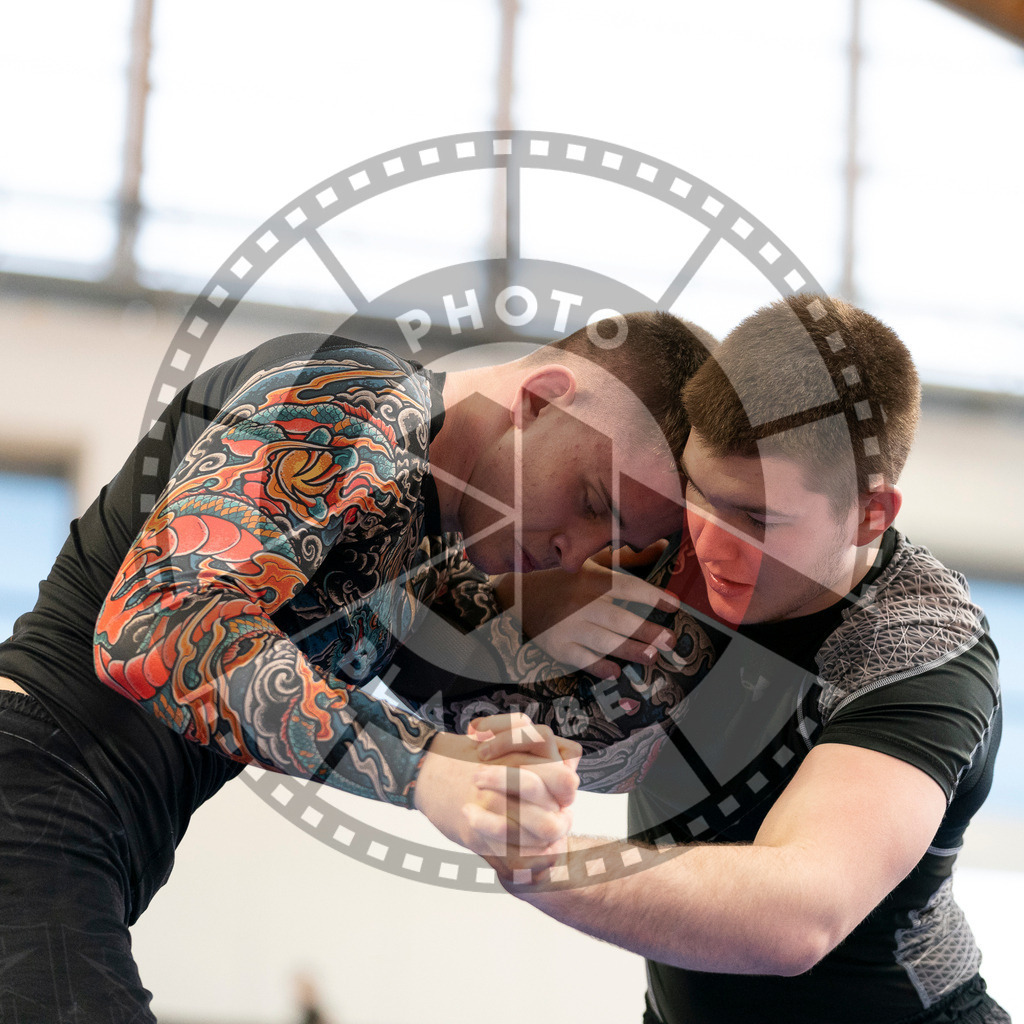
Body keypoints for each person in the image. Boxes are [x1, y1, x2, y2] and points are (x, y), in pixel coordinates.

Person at [0, 312, 710, 1020]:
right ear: (540, 399)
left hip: (96, 842)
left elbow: (605, 756)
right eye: (591, 503)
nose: (577, 550)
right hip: (32, 781)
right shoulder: (350, 402)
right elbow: (155, 626)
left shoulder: (428, 555)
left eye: (616, 542)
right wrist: (427, 767)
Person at [466, 295, 1008, 1023]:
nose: (714, 543)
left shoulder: (922, 652)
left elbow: (795, 916)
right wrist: (531, 601)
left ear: (870, 513)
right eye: (702, 493)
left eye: (758, 520)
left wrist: (540, 861)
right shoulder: (655, 540)